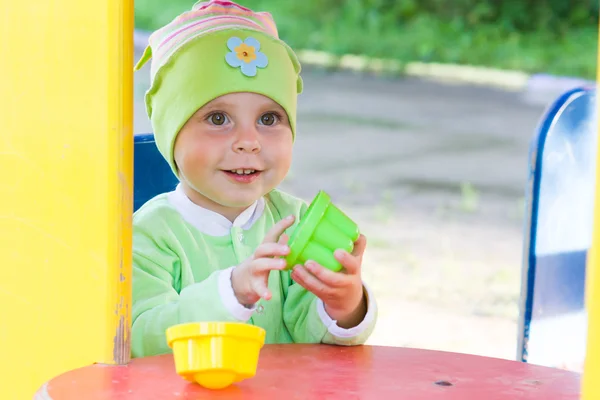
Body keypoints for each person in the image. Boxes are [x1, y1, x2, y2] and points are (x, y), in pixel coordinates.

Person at [131, 0, 377, 357]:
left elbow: (320, 342)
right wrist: (230, 292)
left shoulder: (295, 222)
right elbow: (141, 338)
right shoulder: (150, 234)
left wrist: (344, 304)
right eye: (218, 119)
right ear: (171, 135)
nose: (248, 141)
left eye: (268, 119)